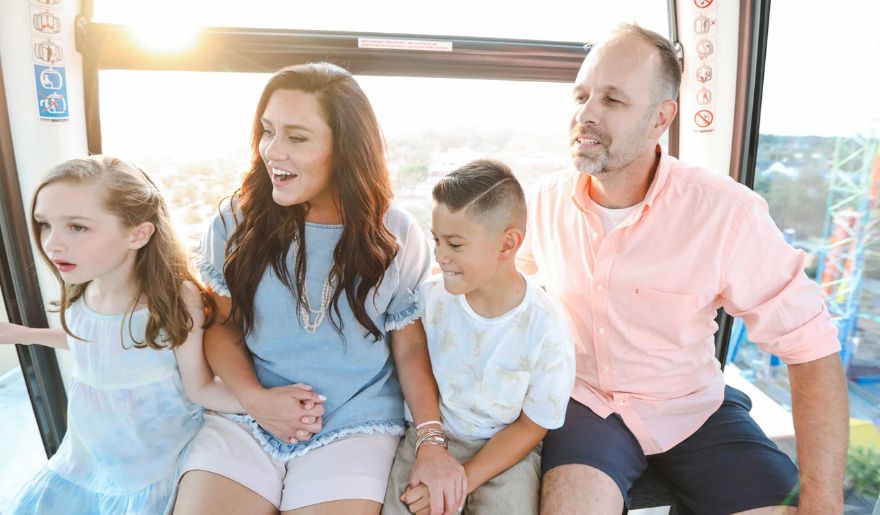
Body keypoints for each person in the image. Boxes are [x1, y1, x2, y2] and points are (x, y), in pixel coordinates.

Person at [517, 24, 848, 515]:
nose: (585, 114)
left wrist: (823, 500)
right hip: (586, 406)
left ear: (661, 118)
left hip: (694, 410)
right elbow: (504, 284)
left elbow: (810, 347)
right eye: (582, 95)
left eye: (612, 100)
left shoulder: (726, 214)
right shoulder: (542, 204)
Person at [174, 62, 466, 515]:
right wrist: (255, 400)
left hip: (355, 423)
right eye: (267, 131)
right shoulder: (234, 223)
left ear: (344, 149)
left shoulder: (396, 235)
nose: (272, 151)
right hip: (247, 415)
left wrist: (431, 441)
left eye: (297, 137)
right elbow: (223, 328)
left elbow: (409, 349)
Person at [0, 155, 243, 514]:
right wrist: (23, 334)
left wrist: (263, 405)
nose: (52, 244)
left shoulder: (175, 300)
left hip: (152, 467)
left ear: (138, 233)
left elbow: (200, 388)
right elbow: (95, 346)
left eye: (77, 227)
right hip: (89, 459)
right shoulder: (81, 291)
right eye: (44, 225)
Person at [383, 160, 576, 515]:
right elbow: (407, 348)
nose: (440, 256)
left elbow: (532, 426)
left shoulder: (546, 329)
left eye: (454, 245)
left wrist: (462, 481)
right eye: (436, 240)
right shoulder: (429, 299)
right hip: (430, 436)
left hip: (505, 450)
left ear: (508, 244)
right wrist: (433, 449)